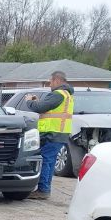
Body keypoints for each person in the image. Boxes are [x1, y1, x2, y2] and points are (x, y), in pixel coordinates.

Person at [25, 70, 74, 200]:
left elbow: (40, 108)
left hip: (53, 133)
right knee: (50, 161)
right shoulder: (66, 94)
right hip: (59, 133)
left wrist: (29, 102)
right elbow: (48, 109)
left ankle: (43, 190)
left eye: (50, 81)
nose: (49, 84)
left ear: (57, 80)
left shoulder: (58, 94)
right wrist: (38, 102)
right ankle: (45, 188)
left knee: (46, 161)